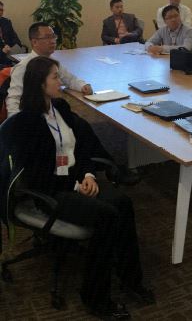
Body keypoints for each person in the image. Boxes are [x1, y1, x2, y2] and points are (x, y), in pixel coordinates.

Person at [8, 56, 154, 318]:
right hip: (52, 191)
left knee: (124, 203)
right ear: (40, 84)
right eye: (55, 77)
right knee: (107, 217)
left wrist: (88, 174)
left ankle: (131, 279)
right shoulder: (27, 122)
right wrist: (77, 185)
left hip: (77, 178)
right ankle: (95, 297)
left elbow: (81, 147)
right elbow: (39, 175)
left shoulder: (60, 107)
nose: (60, 82)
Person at [6, 22, 92, 117]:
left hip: (51, 112)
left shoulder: (52, 62)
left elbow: (69, 79)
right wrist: (15, 122)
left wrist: (82, 86)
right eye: (47, 37)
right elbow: (14, 99)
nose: (53, 41)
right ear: (34, 42)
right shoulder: (24, 67)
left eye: (53, 36)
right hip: (33, 116)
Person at [0, 0, 23, 67]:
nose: (1, 12)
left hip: (10, 55)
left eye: (2, 10)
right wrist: (2, 51)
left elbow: (16, 39)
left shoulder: (6, 22)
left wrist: (10, 47)